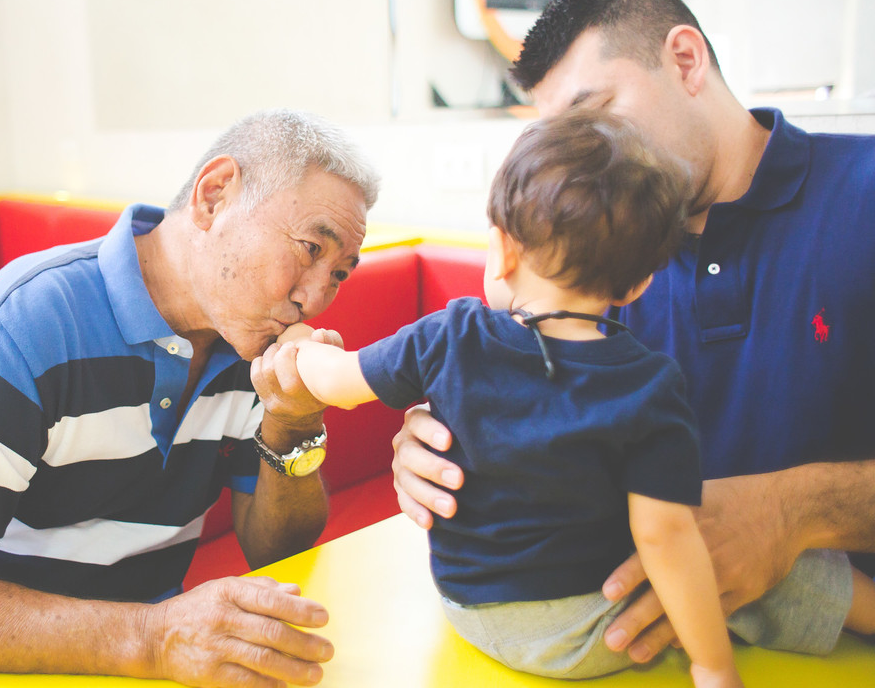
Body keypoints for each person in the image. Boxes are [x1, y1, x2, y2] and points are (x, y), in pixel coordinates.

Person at [391, 0, 875, 665]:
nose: (583, 166)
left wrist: (795, 510)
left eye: (596, 116)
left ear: (685, 59)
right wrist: (441, 449)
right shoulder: (580, 268)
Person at [0, 108, 381, 688]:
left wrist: (291, 422)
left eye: (340, 274)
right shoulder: (19, 327)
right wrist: (152, 638)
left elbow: (274, 548)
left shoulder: (252, 341)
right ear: (213, 196)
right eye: (310, 249)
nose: (315, 298)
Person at [263, 108, 745, 683]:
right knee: (768, 572)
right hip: (586, 634)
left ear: (504, 248)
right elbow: (664, 535)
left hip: (467, 608)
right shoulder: (650, 383)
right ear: (637, 283)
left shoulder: (452, 334)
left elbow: (338, 383)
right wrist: (713, 666)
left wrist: (297, 345)